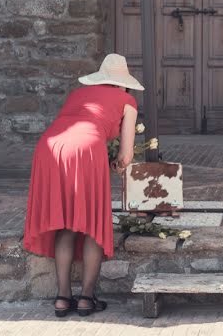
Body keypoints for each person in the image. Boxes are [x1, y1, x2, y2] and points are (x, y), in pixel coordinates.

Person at [23, 53, 142, 317]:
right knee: (92, 224)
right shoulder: (128, 101)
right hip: (87, 150)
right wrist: (119, 166)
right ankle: (87, 297)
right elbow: (126, 154)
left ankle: (63, 297)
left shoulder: (77, 94)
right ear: (123, 83)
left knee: (65, 222)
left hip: (50, 148)